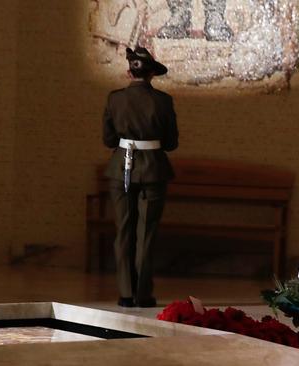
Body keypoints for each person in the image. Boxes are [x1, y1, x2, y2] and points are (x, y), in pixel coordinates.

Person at [102, 46, 179, 308]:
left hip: (120, 168)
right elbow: (170, 143)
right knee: (146, 233)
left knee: (123, 231)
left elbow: (108, 139)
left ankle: (125, 293)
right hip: (154, 169)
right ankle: (142, 294)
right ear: (151, 75)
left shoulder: (114, 99)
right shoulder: (164, 101)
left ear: (129, 72)